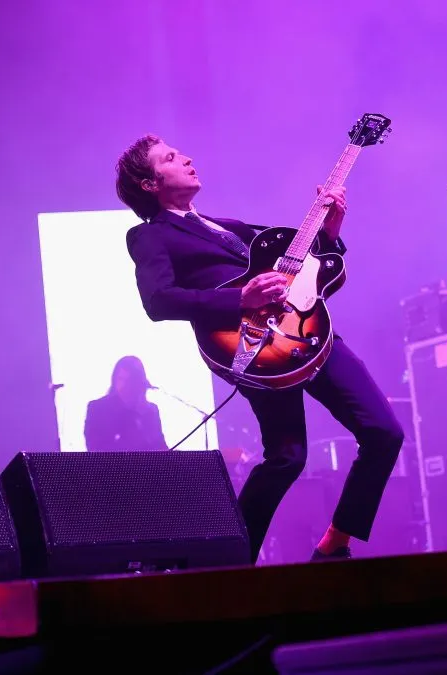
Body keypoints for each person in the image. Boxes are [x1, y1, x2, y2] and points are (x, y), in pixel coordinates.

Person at [115, 134, 404, 563]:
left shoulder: (229, 227)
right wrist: (241, 299)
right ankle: (234, 565)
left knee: (385, 432)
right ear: (149, 183)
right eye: (171, 158)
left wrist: (329, 233)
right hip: (252, 346)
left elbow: (303, 269)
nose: (188, 157)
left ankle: (336, 541)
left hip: (311, 333)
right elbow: (158, 301)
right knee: (287, 457)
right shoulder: (150, 236)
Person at [84, 355, 168, 452]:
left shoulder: (150, 410)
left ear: (138, 382)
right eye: (120, 379)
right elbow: (94, 448)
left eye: (129, 381)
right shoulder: (98, 408)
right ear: (114, 380)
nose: (123, 386)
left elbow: (159, 445)